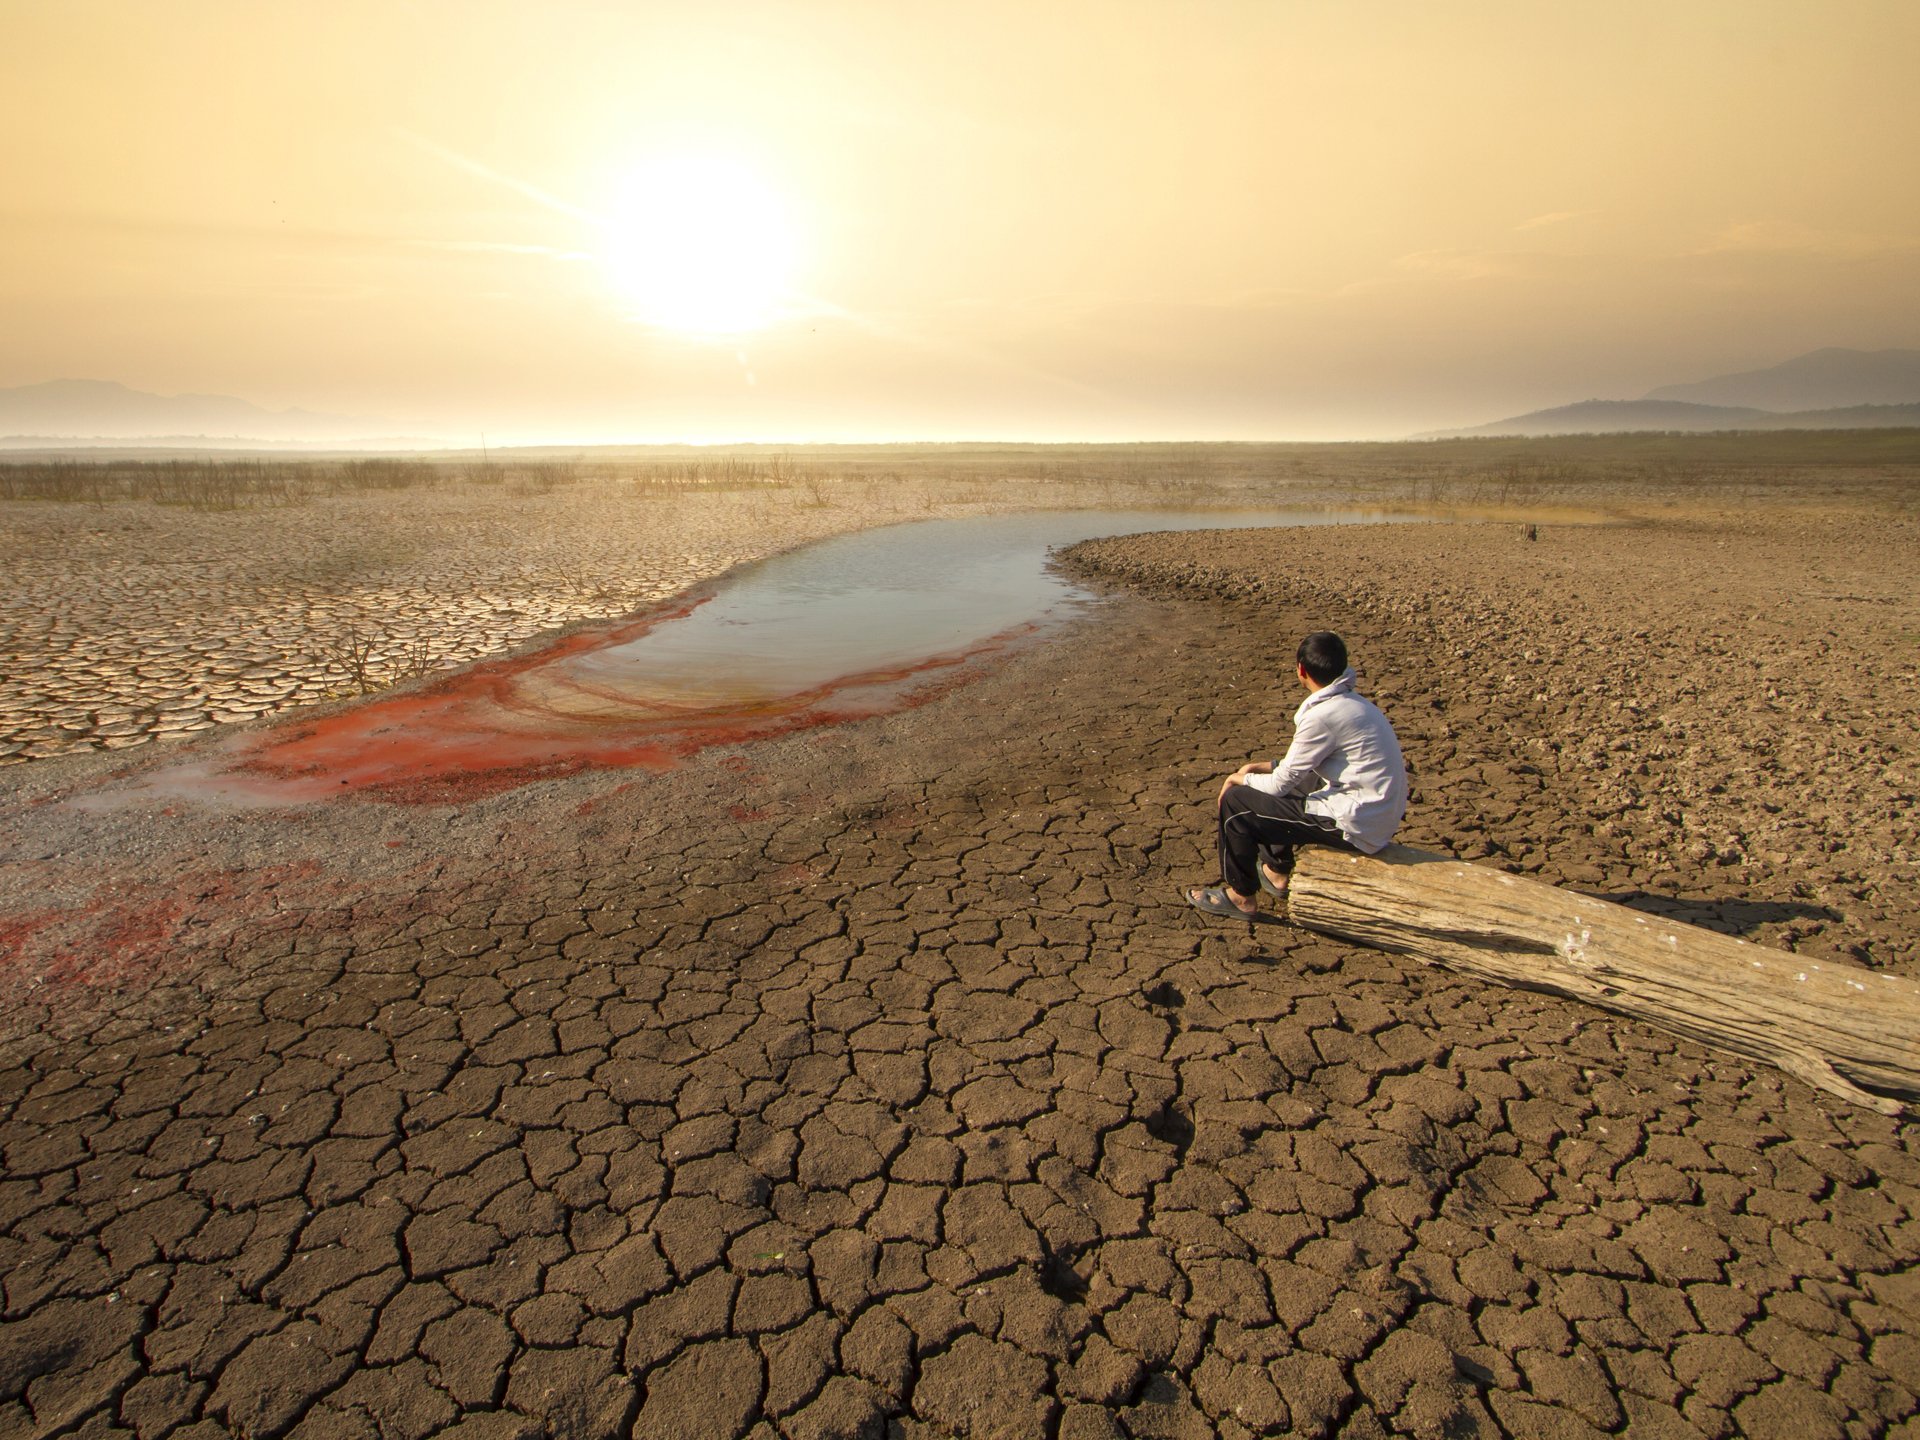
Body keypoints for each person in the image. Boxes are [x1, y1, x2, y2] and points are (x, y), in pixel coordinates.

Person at [1186, 631, 1407, 923]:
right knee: (1294, 781)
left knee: (1237, 803)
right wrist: (1256, 767)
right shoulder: (1354, 704)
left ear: (1301, 670)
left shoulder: (1323, 715)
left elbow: (1279, 785)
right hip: (1376, 814)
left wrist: (1237, 780)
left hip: (1359, 825)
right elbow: (1300, 766)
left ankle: (1241, 896)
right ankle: (1276, 871)